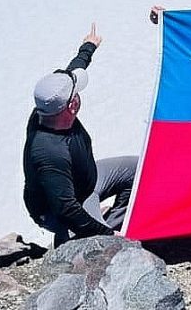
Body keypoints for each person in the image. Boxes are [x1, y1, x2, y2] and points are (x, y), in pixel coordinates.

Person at [23, 24, 137, 246]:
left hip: (87, 181)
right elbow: (65, 208)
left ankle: (109, 221)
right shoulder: (50, 154)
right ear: (72, 105)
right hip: (63, 207)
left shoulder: (47, 109)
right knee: (102, 244)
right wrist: (106, 235)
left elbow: (66, 78)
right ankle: (77, 236)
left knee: (139, 172)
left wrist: (88, 48)